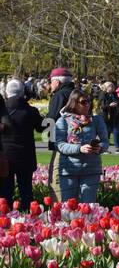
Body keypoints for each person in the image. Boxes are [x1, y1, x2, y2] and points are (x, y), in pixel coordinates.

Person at [51, 89, 108, 204]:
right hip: (69, 170)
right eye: (83, 102)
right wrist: (79, 148)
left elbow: (105, 141)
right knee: (69, 206)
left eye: (89, 102)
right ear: (74, 103)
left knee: (88, 206)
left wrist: (100, 147)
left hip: (91, 169)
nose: (87, 104)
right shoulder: (62, 121)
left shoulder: (96, 120)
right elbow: (59, 145)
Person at [1, 79, 42, 209]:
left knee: (5, 191)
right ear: (22, 92)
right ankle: (28, 218)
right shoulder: (31, 111)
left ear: (6, 92)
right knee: (26, 191)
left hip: (5, 155)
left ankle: (4, 218)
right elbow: (42, 128)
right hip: (25, 156)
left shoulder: (2, 110)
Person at [45, 68, 75, 201]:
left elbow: (52, 118)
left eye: (51, 82)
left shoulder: (59, 95)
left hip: (60, 141)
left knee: (56, 176)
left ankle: (59, 209)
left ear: (56, 82)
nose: (50, 86)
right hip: (78, 141)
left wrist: (42, 126)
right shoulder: (78, 94)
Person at [99, 80, 119, 151]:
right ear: (106, 87)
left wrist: (118, 102)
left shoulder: (114, 94)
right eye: (110, 86)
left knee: (116, 130)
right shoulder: (103, 95)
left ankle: (117, 147)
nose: (112, 88)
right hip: (106, 116)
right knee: (106, 132)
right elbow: (102, 106)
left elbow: (118, 101)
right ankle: (104, 148)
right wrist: (109, 105)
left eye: (113, 86)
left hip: (114, 115)